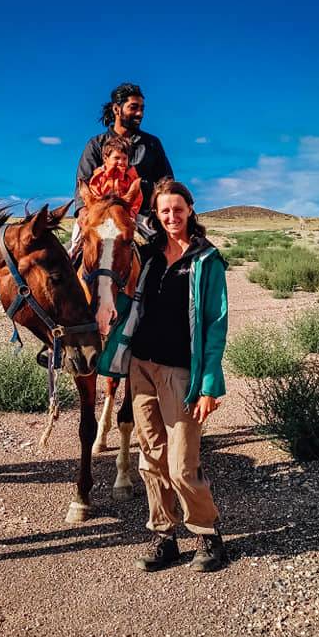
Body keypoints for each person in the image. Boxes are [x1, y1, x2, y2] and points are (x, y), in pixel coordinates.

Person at [102, 178, 228, 572]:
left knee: (181, 463)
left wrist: (209, 385)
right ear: (155, 215)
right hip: (142, 368)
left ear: (190, 210)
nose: (172, 216)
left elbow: (215, 325)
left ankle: (208, 535)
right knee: (149, 459)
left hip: (181, 373)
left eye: (178, 208)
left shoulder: (207, 260)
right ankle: (165, 535)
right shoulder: (150, 256)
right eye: (164, 210)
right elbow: (117, 285)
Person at [74, 82, 173, 240]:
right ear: (116, 109)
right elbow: (83, 183)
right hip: (100, 217)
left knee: (164, 252)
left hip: (143, 218)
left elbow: (167, 182)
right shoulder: (95, 144)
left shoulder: (152, 144)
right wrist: (83, 212)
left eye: (142, 108)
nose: (140, 113)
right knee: (73, 253)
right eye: (133, 107)